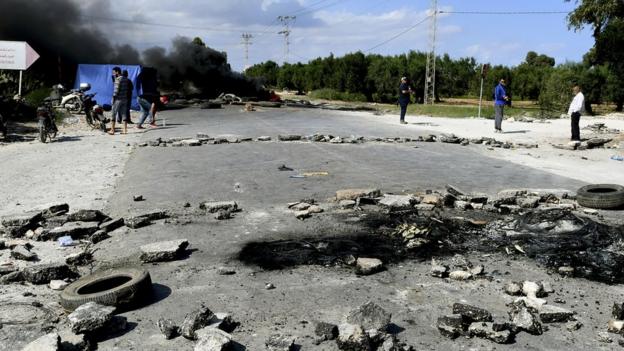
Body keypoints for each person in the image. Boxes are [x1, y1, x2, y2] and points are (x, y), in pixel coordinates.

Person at [109, 67, 130, 135]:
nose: (113, 73)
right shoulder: (126, 79)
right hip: (125, 99)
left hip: (118, 99)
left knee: (113, 114)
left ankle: (112, 130)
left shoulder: (118, 79)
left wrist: (113, 99)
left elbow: (116, 90)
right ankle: (125, 130)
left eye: (114, 72)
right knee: (124, 114)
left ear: (117, 72)